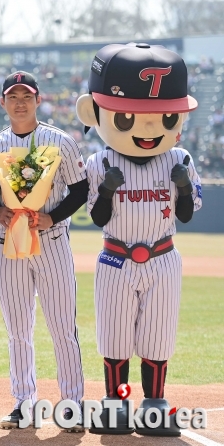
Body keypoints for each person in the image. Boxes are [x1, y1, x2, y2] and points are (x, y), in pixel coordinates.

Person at [76, 43, 202, 436]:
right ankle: (117, 401)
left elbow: (186, 215)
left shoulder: (179, 159)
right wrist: (109, 192)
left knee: (158, 335)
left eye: (163, 117)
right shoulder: (99, 162)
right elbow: (96, 217)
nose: (149, 130)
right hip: (116, 257)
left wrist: (183, 188)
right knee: (114, 335)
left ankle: (154, 404)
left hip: (163, 256)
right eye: (129, 117)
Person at [0, 71, 87, 432]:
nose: (20, 102)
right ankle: (23, 401)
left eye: (26, 96)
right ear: (3, 103)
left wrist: (52, 216)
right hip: (8, 244)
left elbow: (80, 189)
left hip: (52, 242)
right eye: (13, 96)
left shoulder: (60, 141)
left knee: (62, 328)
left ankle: (72, 403)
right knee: (17, 329)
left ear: (38, 100)